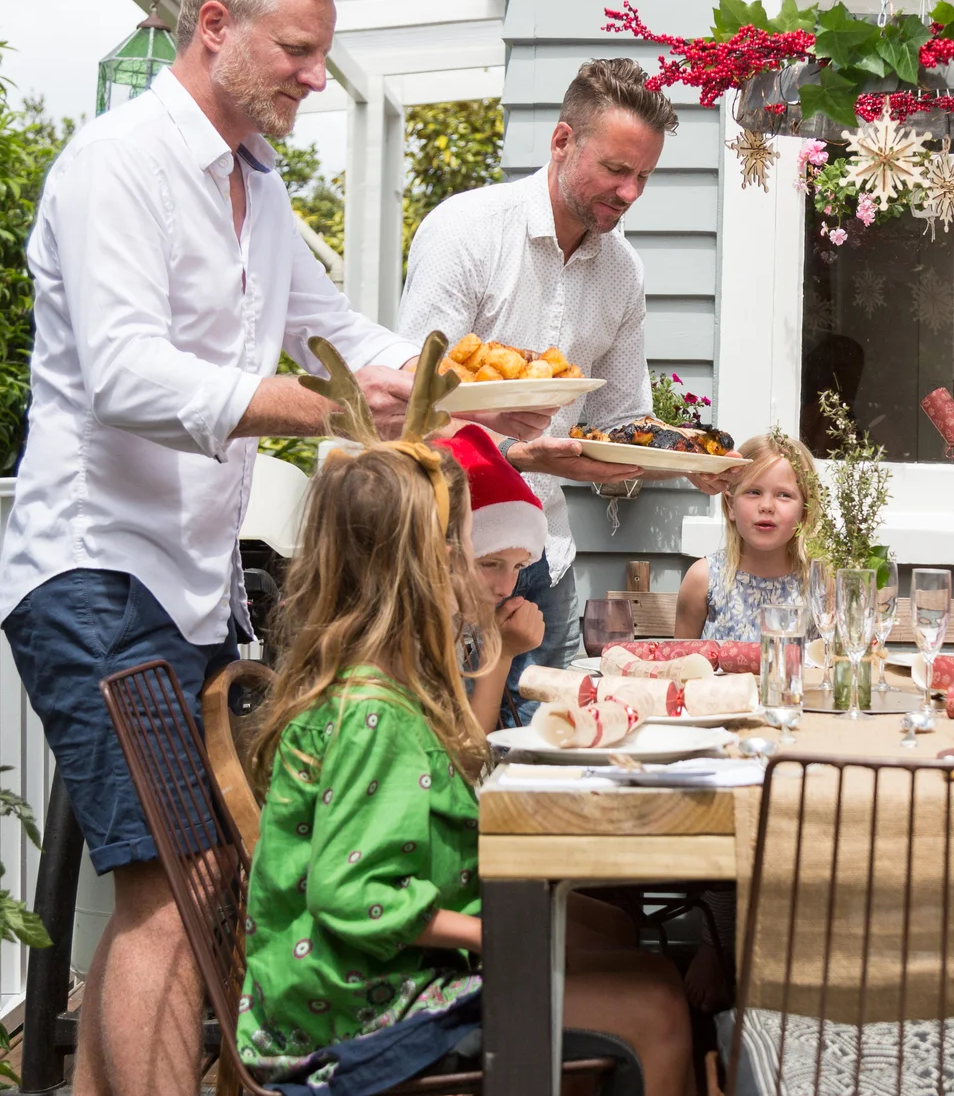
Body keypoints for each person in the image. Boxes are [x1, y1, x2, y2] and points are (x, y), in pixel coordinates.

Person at [0, 0, 550, 1096]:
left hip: (190, 575)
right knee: (180, 885)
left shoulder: (255, 184)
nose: (312, 73)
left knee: (180, 883)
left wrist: (485, 405)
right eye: (296, 50)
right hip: (95, 570)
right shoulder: (120, 164)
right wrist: (326, 409)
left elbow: (346, 338)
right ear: (215, 29)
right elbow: (125, 375)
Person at [237, 432, 692, 1095]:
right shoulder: (376, 714)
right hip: (356, 1014)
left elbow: (442, 777)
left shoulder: (381, 682)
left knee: (648, 978)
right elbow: (350, 894)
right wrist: (493, 933)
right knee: (656, 1010)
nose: (501, 578)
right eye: (470, 552)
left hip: (355, 985)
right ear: (425, 567)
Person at [399, 58, 726, 721]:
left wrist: (687, 460)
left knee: (542, 753)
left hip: (546, 559)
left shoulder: (622, 273)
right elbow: (411, 400)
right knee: (453, 747)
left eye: (643, 177)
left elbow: (617, 418)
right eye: (614, 169)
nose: (630, 191)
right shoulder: (466, 232)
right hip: (450, 558)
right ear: (561, 142)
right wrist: (520, 455)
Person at [439, 425, 550, 729]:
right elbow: (466, 759)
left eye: (519, 567)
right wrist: (501, 656)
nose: (506, 588)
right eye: (489, 563)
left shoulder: (455, 625)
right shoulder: (416, 640)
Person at [674, 431, 819, 641]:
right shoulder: (704, 580)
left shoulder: (820, 583)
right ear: (731, 505)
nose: (767, 506)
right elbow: (682, 665)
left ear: (805, 511)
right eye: (754, 492)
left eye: (784, 495)